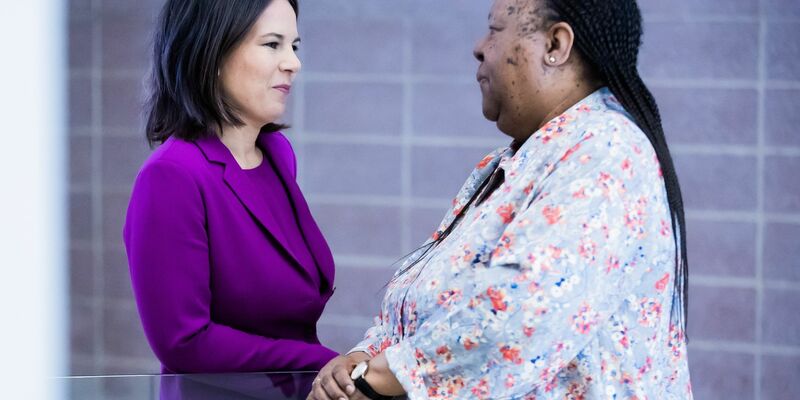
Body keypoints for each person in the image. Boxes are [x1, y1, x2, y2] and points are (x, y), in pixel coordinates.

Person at [309, 0, 692, 398]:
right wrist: (363, 356)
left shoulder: (606, 151)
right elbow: (426, 301)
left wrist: (377, 380)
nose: (479, 46)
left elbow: (524, 312)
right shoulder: (517, 161)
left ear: (555, 45)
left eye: (494, 29)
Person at [124, 0, 338, 373]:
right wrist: (326, 364)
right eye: (273, 44)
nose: (293, 62)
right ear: (213, 51)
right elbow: (184, 343)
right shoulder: (172, 176)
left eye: (294, 46)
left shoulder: (277, 155)